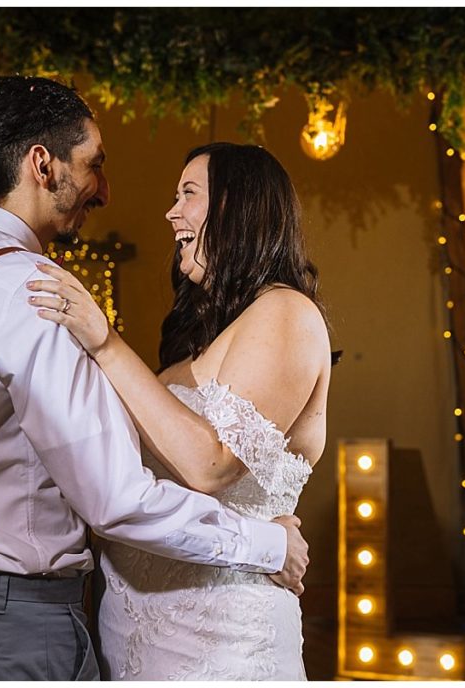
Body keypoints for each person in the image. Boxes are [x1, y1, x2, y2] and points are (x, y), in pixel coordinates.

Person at [0, 77, 308, 681]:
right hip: (20, 624)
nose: (106, 191)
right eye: (94, 165)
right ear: (42, 164)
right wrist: (268, 546)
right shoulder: (36, 289)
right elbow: (117, 498)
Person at [26, 142, 332, 680]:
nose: (171, 213)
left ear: (237, 208)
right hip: (132, 629)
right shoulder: (196, 341)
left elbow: (212, 466)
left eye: (188, 194)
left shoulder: (287, 313)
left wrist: (106, 343)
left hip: (222, 640)